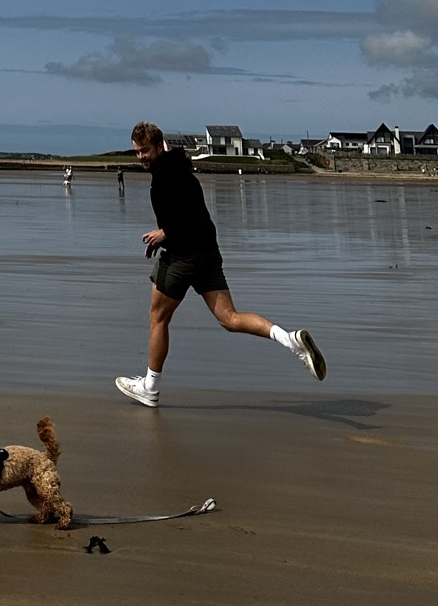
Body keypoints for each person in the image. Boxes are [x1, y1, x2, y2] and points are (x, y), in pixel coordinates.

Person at [115, 121, 326, 408]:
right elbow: (192, 211)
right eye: (137, 151)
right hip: (207, 254)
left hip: (183, 257)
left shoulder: (165, 177)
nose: (141, 157)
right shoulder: (180, 168)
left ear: (158, 146)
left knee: (158, 317)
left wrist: (165, 233)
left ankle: (150, 388)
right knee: (230, 318)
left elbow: (184, 216)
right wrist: (165, 234)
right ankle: (290, 340)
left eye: (145, 151)